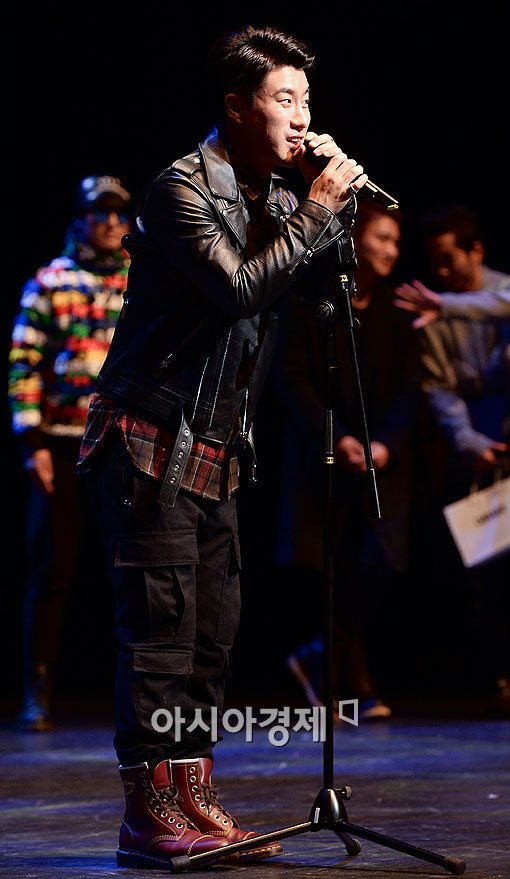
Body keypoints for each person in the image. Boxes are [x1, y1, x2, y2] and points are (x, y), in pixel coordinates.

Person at [76, 23, 374, 868]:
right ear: (238, 106)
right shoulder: (179, 190)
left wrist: (334, 207)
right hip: (148, 441)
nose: (301, 116)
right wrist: (315, 209)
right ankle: (147, 813)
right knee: (160, 639)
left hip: (217, 451)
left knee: (210, 639)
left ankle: (194, 798)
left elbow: (322, 293)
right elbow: (240, 287)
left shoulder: (277, 195)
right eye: (284, 99)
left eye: (306, 100)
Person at [275, 199, 422, 722]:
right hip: (325, 456)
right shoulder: (312, 302)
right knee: (329, 566)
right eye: (381, 238)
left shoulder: (397, 312)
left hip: (384, 459)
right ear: (353, 239)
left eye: (396, 241)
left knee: (380, 562)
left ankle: (321, 656)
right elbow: (292, 379)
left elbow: (411, 388)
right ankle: (348, 680)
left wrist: (387, 444)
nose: (391, 251)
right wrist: (335, 436)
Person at [8, 174, 132, 731]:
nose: (111, 223)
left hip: (121, 441)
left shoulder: (139, 278)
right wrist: (31, 444)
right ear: (81, 219)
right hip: (60, 443)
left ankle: (132, 690)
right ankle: (37, 689)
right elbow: (23, 365)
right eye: (101, 213)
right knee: (51, 567)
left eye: (119, 213)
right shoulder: (50, 281)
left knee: (129, 567)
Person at [397, 204, 510, 715]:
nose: (441, 271)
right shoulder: (432, 313)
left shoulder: (495, 293)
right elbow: (439, 388)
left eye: (450, 258)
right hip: (477, 455)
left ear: (476, 251)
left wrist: (447, 304)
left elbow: (500, 306)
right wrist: (469, 442)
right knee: (486, 572)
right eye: (434, 262)